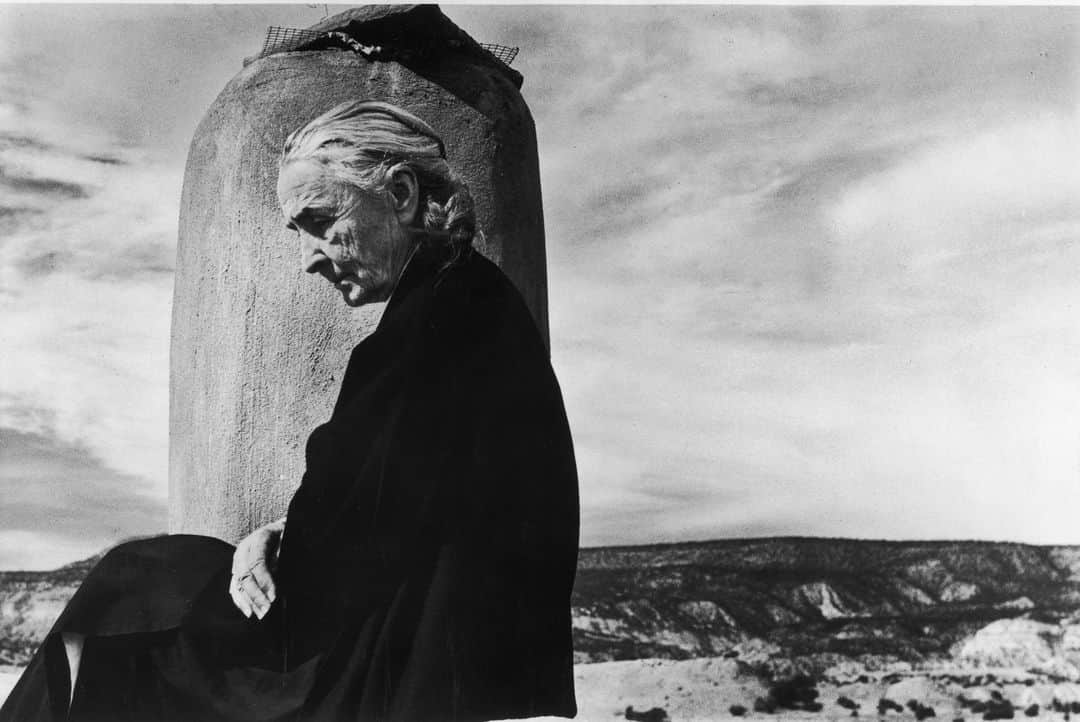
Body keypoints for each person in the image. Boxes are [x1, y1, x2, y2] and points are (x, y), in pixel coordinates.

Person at [0, 100, 580, 722]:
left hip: (386, 670)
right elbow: (372, 506)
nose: (307, 257)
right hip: (431, 650)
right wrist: (284, 531)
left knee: (123, 590)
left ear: (403, 195)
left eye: (321, 220)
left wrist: (278, 541)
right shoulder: (473, 300)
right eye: (296, 231)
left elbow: (331, 549)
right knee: (140, 590)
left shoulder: (430, 328)